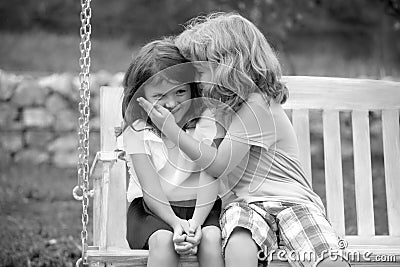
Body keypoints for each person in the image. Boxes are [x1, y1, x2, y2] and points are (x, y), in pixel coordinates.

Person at [137, 13, 350, 267]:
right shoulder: (219, 108)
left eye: (201, 70)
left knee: (326, 258)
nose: (195, 80)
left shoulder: (257, 105)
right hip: (244, 205)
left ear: (226, 66)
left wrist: (172, 130)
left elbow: (218, 165)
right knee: (239, 243)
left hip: (291, 202)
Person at [119, 38, 224, 267]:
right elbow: (151, 190)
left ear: (192, 88)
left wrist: (195, 223)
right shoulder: (138, 131)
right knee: (163, 241)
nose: (171, 103)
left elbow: (210, 172)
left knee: (212, 238)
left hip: (203, 207)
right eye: (159, 96)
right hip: (152, 211)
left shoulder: (205, 121)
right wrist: (176, 224)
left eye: (180, 92)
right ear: (141, 96)